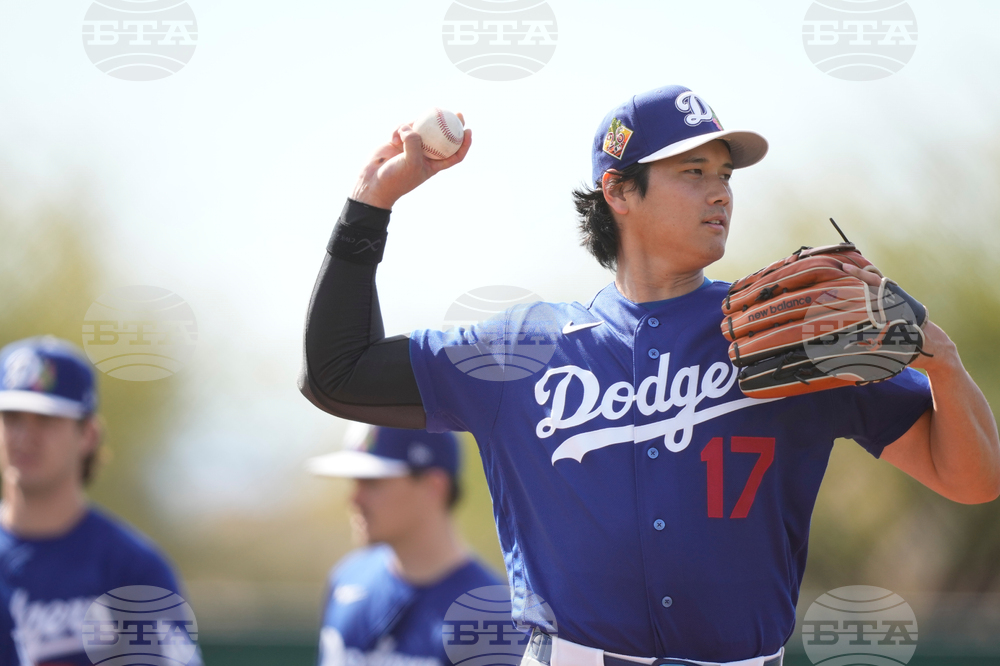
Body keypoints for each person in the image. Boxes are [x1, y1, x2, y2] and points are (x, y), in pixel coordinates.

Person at [297, 85, 1000, 666]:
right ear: (619, 192)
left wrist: (943, 361)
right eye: (692, 172)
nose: (719, 192)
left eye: (724, 173)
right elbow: (337, 374)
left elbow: (973, 481)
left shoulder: (787, 340)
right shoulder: (524, 350)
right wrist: (370, 204)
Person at [0, 336, 200, 666]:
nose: (24, 436)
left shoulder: (132, 568)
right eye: (12, 417)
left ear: (88, 434)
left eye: (46, 419)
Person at [306, 422, 506, 666]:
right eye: (354, 482)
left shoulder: (492, 618)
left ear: (434, 487)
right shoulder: (346, 579)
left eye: (372, 482)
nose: (354, 498)